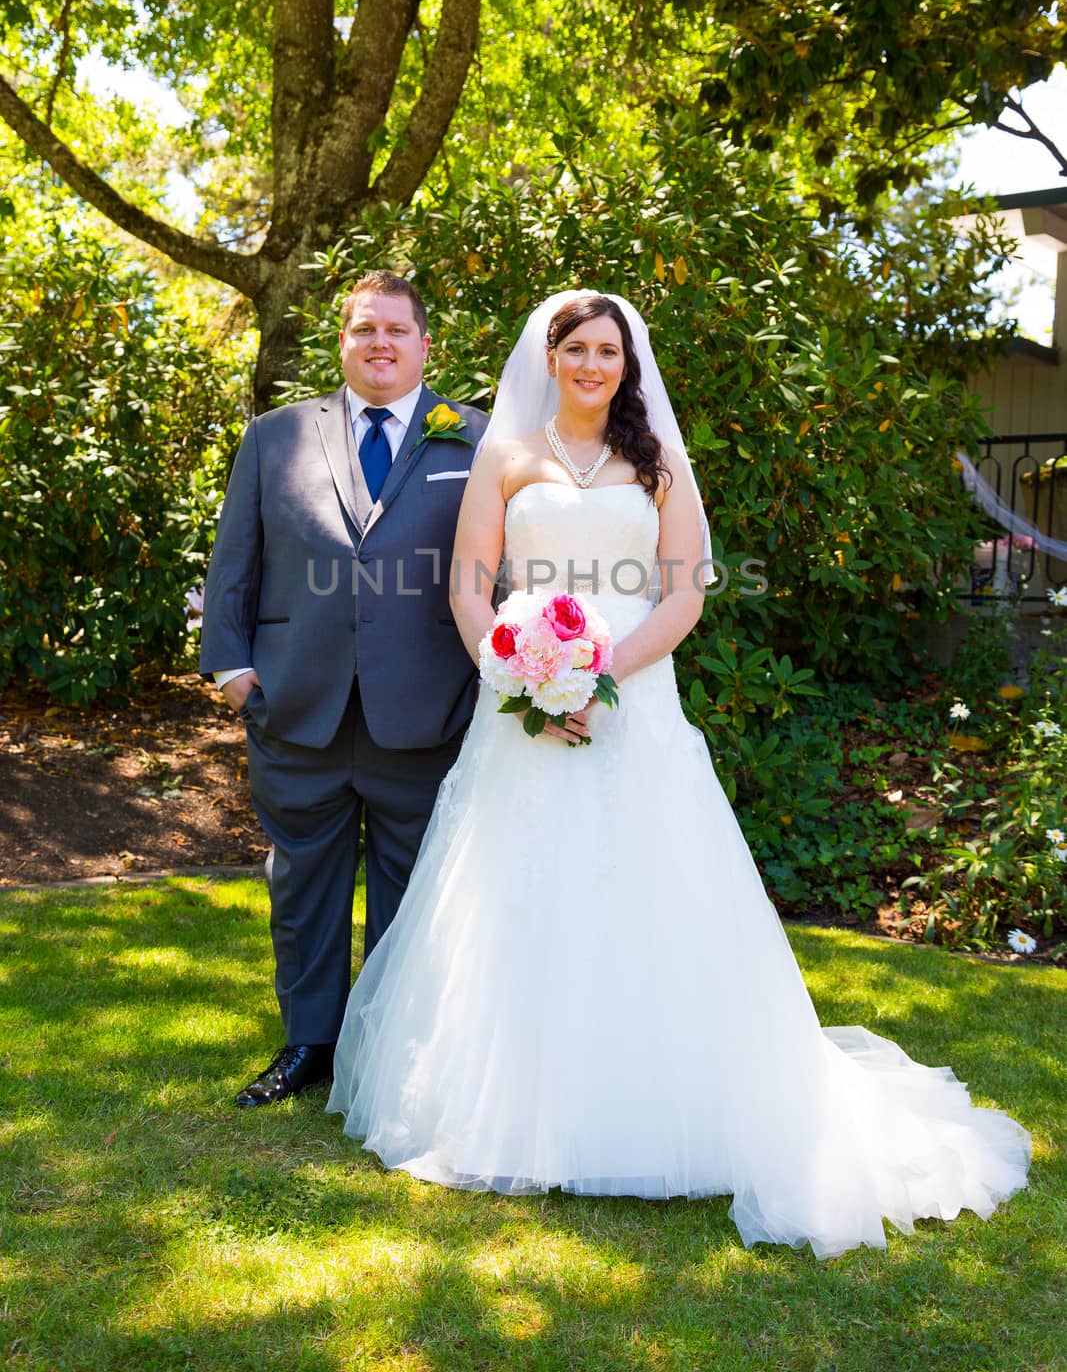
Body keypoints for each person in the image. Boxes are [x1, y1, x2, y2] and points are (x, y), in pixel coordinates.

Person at [325, 289, 1031, 1259]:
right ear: (547, 355)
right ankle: (508, 1113)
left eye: (606, 350)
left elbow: (685, 588)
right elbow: (466, 580)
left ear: (625, 361)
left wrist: (591, 672)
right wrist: (517, 670)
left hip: (631, 710)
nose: (589, 365)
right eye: (573, 348)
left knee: (643, 904)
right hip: (515, 719)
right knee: (518, 905)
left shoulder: (652, 460)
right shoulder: (506, 455)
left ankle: (645, 1113)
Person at [199, 270, 488, 1108]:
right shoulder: (275, 437)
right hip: (296, 703)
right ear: (343, 341)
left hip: (428, 707)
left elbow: (502, 572)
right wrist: (231, 667)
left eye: (397, 330)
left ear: (425, 345)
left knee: (414, 892)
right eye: (364, 329)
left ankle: (393, 1057)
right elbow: (235, 563)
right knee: (303, 887)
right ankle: (308, 1046)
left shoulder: (477, 440)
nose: (380, 344)